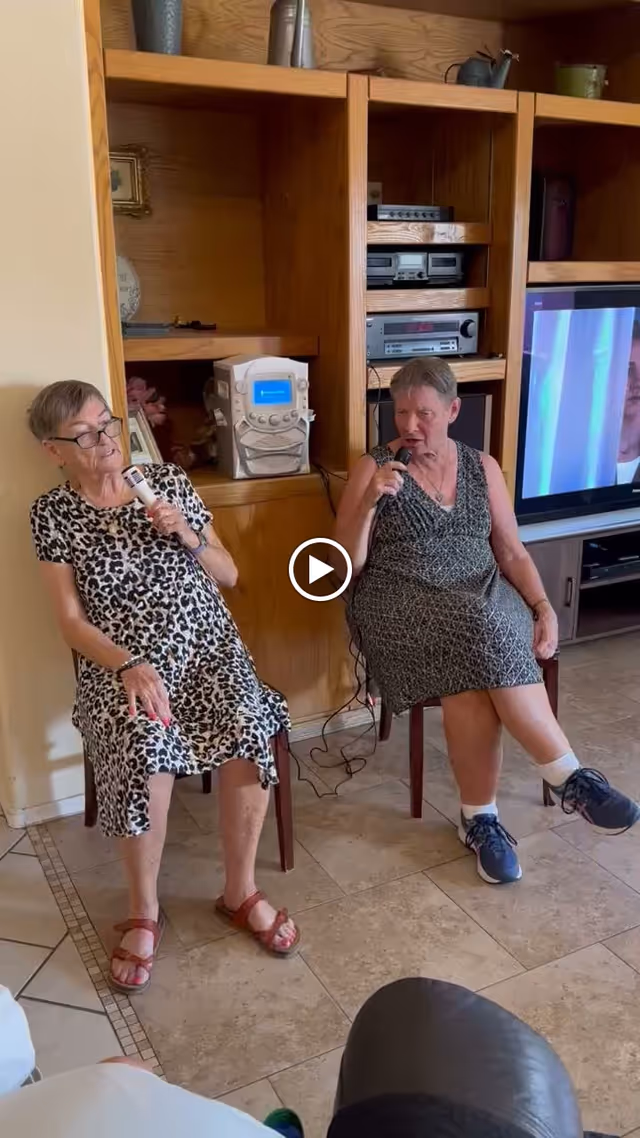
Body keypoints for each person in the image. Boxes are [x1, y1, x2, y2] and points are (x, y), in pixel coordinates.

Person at [28, 381, 299, 993]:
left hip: (207, 648)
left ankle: (239, 892)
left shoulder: (167, 482)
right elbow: (70, 621)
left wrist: (190, 536)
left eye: (108, 424)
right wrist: (126, 664)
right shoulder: (52, 513)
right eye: (86, 435)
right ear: (54, 450)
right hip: (123, 663)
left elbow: (229, 573)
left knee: (248, 723)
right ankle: (144, 910)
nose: (106, 441)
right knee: (143, 739)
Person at [335, 357, 639, 885]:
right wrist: (367, 504)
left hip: (481, 590)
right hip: (399, 597)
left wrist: (544, 607)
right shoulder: (373, 467)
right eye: (401, 412)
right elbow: (345, 565)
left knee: (478, 638)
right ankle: (567, 777)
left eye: (424, 413)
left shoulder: (482, 466)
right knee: (479, 627)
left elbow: (511, 550)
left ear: (453, 410)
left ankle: (479, 819)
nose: (410, 425)